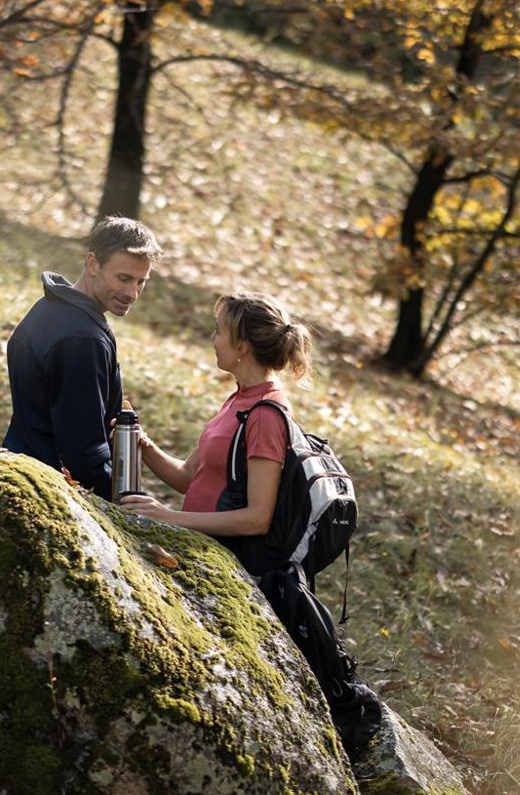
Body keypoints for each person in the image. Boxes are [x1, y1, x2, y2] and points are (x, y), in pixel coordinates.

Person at [119, 292, 387, 762]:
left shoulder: (265, 416)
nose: (213, 339)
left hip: (226, 557)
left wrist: (168, 517)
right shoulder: (237, 402)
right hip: (195, 538)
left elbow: (257, 517)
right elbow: (187, 477)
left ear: (242, 345)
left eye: (220, 330)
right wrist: (141, 444)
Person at [2, 218, 160, 501]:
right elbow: (84, 452)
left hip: (22, 469)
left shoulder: (49, 307)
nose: (132, 293)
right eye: (124, 278)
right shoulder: (82, 339)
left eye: (141, 282)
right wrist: (124, 506)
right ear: (92, 264)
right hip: (51, 494)